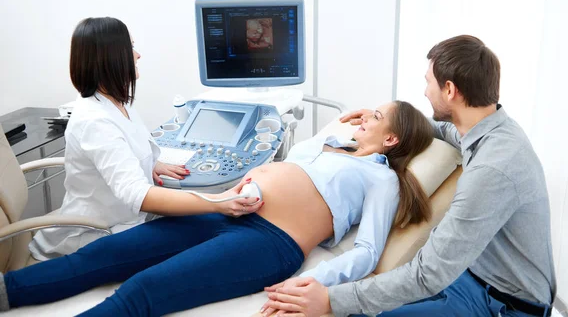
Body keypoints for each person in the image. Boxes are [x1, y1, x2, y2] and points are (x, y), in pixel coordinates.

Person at [0, 99, 434, 316]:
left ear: (392, 139)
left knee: (143, 290)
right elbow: (295, 161)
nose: (363, 117)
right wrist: (251, 187)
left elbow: (367, 252)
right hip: (227, 209)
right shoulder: (332, 146)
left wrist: (315, 282)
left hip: (269, 242)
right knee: (100, 256)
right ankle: (7, 291)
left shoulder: (382, 179)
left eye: (375, 115)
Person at [261, 35, 556, 317]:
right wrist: (386, 123)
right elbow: (444, 129)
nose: (426, 91)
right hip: (470, 276)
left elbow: (428, 274)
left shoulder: (492, 170)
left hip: (502, 304)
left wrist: (330, 300)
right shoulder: (488, 129)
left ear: (450, 90)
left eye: (429, 83)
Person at [29, 17, 264, 261]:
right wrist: (216, 201)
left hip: (125, 219)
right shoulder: (94, 121)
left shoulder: (116, 104)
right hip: (98, 232)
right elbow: (137, 195)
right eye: (130, 48)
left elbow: (124, 150)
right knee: (214, 230)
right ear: (110, 57)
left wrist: (149, 163)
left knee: (213, 223)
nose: (138, 55)